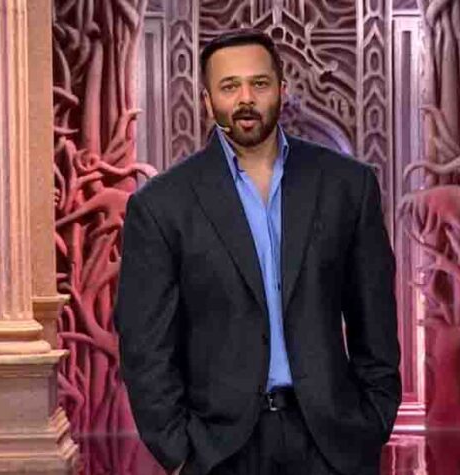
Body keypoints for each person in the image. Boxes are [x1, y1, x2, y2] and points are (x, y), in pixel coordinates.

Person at [114, 28, 401, 475]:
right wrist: (179, 452)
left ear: (282, 90)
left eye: (259, 83)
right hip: (217, 449)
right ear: (208, 100)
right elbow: (145, 345)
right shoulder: (161, 205)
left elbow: (375, 318)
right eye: (229, 86)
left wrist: (373, 421)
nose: (246, 98)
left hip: (332, 443)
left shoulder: (347, 185)